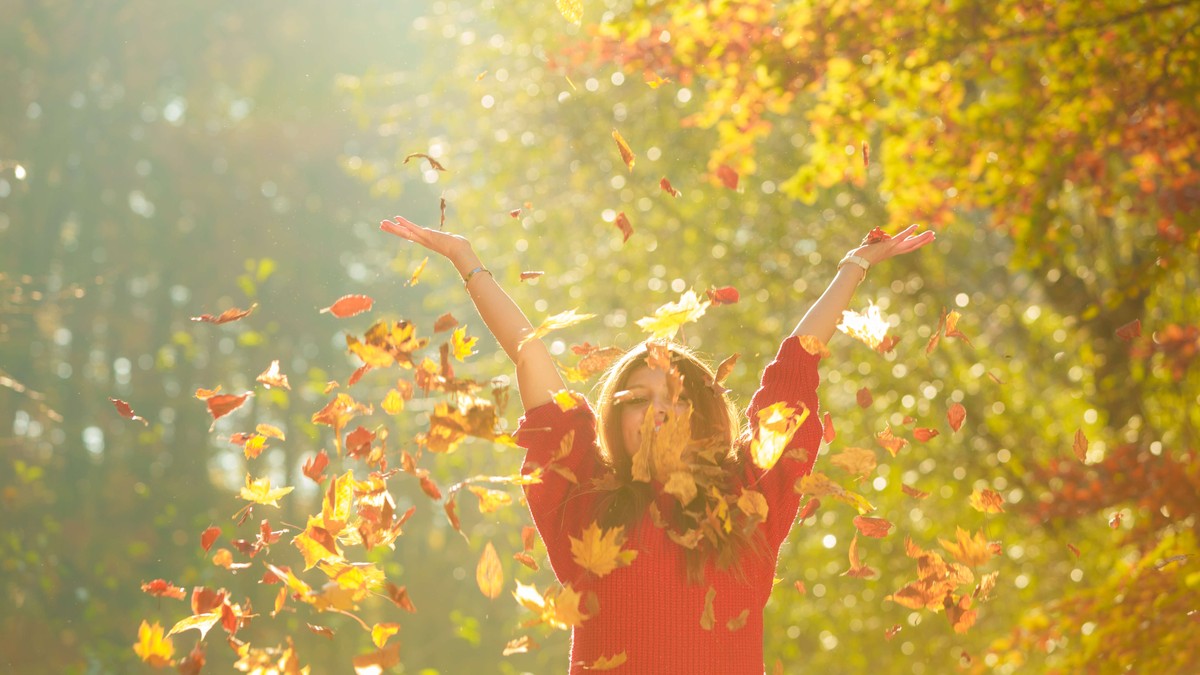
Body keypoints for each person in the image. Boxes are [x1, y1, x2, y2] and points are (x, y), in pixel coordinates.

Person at [380, 216, 935, 674]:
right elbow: (529, 356)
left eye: (674, 398)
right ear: (615, 421)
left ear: (704, 418)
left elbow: (795, 368)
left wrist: (853, 268)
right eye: (638, 400)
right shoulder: (582, 496)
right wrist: (467, 262)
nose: (658, 412)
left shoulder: (751, 496)